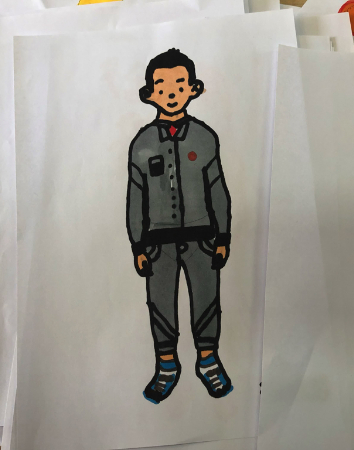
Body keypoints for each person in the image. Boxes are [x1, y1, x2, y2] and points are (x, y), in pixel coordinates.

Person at [126, 49, 233, 403]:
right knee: (159, 303)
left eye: (179, 83)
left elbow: (217, 189)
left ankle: (209, 360)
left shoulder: (205, 137)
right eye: (161, 85)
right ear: (150, 93)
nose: (171, 91)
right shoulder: (141, 144)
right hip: (158, 244)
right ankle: (166, 366)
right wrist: (138, 245)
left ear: (193, 88)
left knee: (207, 299)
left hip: (203, 240)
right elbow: (135, 199)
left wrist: (223, 236)